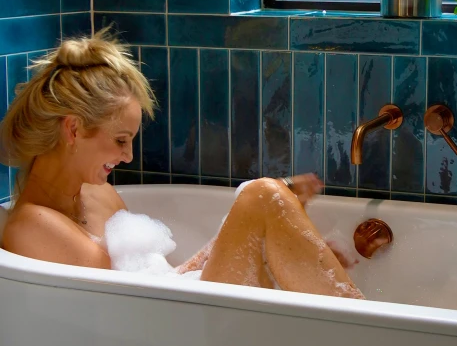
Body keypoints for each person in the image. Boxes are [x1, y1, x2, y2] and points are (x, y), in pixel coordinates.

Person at [0, 30, 363, 300]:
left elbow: (165, 283)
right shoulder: (31, 226)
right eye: (120, 140)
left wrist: (283, 245)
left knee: (266, 201)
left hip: (172, 329)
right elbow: (125, 312)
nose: (128, 156)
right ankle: (369, 333)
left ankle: (361, 325)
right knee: (263, 195)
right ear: (74, 129)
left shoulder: (98, 195)